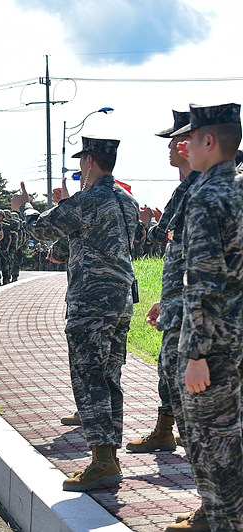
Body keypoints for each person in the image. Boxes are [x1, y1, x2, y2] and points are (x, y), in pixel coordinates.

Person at [12, 136, 138, 492]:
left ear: (89, 161)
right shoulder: (127, 200)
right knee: (110, 377)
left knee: (89, 377)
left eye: (82, 161)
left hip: (91, 303)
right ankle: (108, 455)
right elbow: (95, 241)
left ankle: (101, 461)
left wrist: (24, 206)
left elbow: (39, 228)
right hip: (121, 301)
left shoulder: (90, 198)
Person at [171, 103, 243, 530]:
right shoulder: (237, 188)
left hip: (213, 342)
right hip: (237, 331)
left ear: (209, 141)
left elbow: (204, 280)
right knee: (231, 439)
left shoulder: (207, 196)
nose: (183, 146)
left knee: (215, 449)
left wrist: (196, 353)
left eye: (191, 138)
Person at [139, 112, 208, 532]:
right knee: (186, 407)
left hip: (202, 324)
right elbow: (180, 253)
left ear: (194, 141)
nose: (169, 146)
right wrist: (166, 300)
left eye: (175, 139)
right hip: (180, 313)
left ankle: (217, 507)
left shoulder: (212, 190)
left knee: (205, 417)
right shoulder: (188, 188)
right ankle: (210, 503)